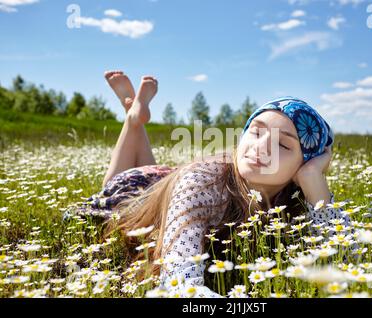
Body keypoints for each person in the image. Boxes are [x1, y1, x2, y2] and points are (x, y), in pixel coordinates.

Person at [63, 71, 354, 297]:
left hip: (169, 182)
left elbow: (350, 257)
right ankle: (133, 118)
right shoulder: (202, 185)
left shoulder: (299, 196)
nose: (261, 147)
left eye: (283, 145)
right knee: (115, 180)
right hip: (140, 191)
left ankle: (135, 116)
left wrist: (314, 180)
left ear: (301, 168)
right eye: (256, 132)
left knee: (158, 179)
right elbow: (178, 283)